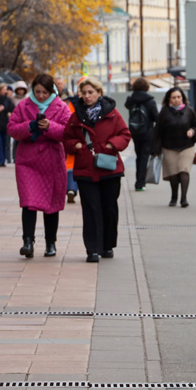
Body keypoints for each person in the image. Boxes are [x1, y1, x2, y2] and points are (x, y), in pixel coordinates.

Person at [63, 76, 131, 263]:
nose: (87, 96)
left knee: (108, 208)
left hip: (109, 167)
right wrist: (75, 145)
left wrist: (112, 144)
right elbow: (66, 138)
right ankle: (92, 249)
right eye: (83, 93)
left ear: (99, 93)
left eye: (90, 92)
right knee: (91, 209)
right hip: (86, 168)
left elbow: (125, 134)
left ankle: (107, 245)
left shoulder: (112, 113)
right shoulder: (76, 116)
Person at [6, 73, 71, 258]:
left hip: (51, 161)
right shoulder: (23, 106)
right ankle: (28, 241)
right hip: (28, 162)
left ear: (51, 91)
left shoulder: (61, 107)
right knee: (28, 202)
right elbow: (11, 129)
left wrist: (49, 126)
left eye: (44, 92)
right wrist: (30, 126)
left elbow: (67, 132)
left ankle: (51, 243)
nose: (41, 96)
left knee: (51, 204)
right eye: (37, 92)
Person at [151, 87, 196, 208]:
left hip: (186, 147)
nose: (177, 99)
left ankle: (184, 198)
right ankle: (174, 196)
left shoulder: (189, 111)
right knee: (173, 174)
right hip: (169, 147)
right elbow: (157, 131)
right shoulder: (164, 112)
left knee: (184, 171)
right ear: (169, 99)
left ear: (182, 98)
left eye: (179, 97)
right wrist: (155, 150)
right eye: (174, 97)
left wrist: (193, 131)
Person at [125, 77, 159, 191]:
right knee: (144, 156)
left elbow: (128, 107)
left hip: (135, 132)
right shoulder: (150, 101)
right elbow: (156, 117)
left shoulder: (131, 100)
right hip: (147, 132)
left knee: (139, 156)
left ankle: (139, 181)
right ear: (146, 87)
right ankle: (140, 183)